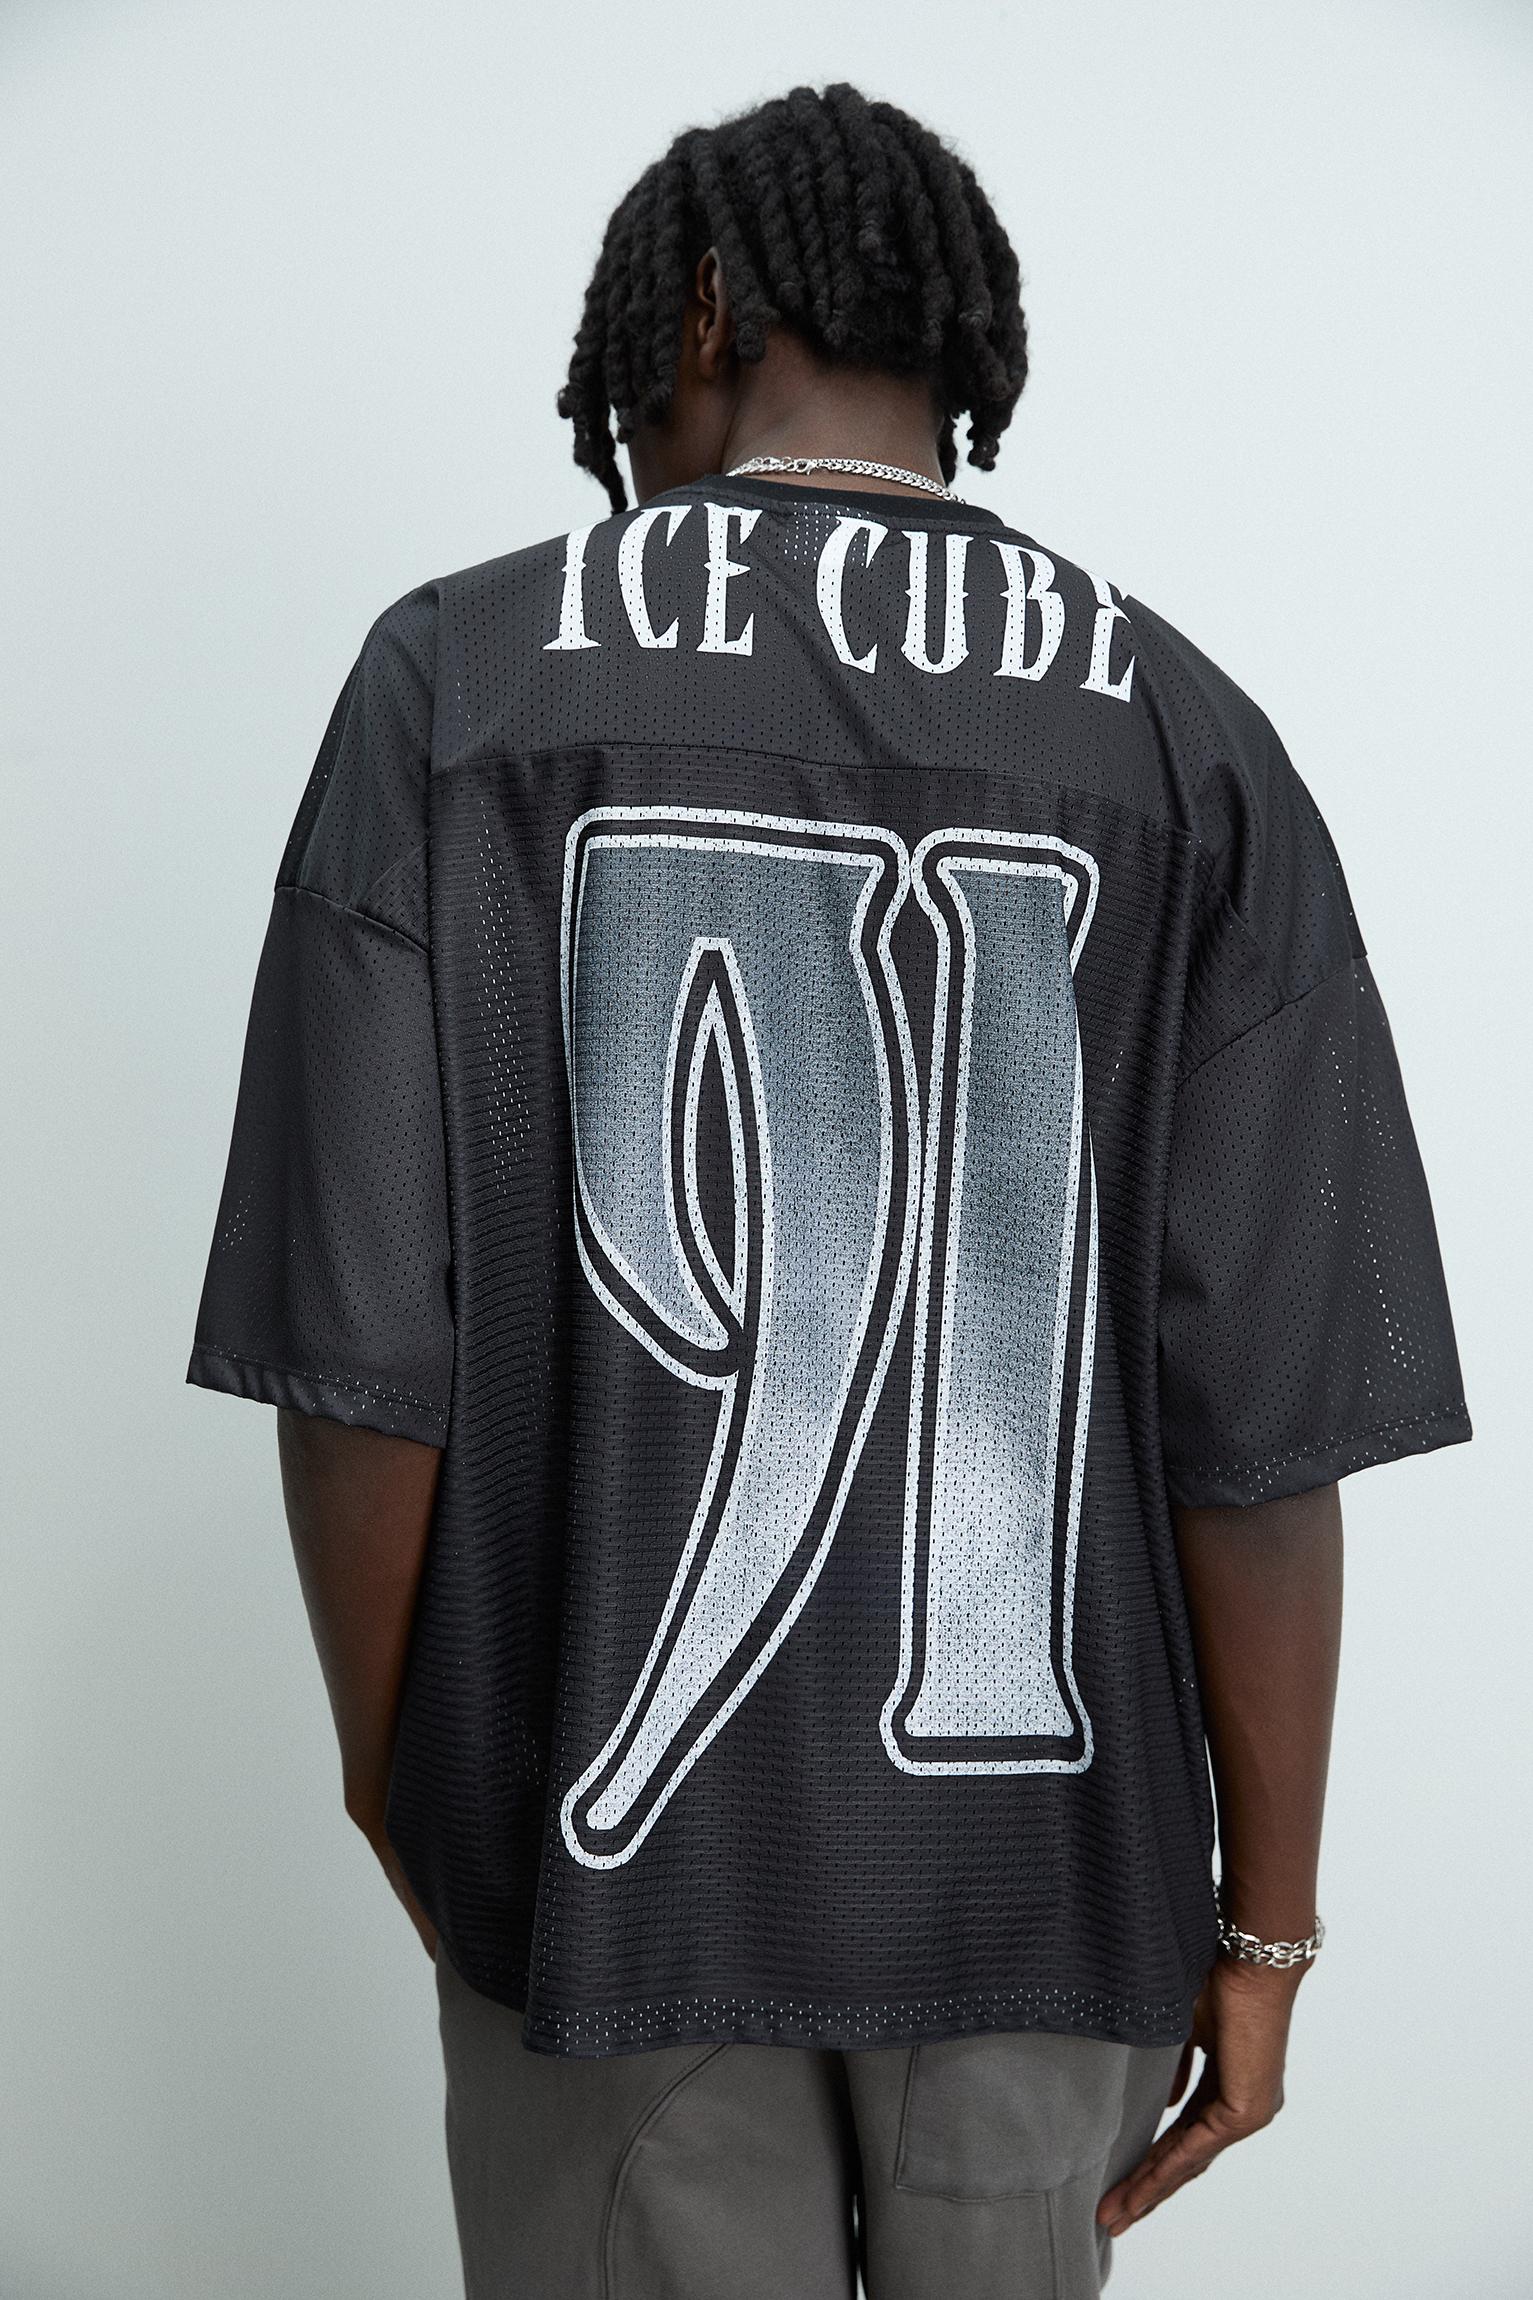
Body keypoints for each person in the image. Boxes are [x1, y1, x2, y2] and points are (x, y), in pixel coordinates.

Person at [188, 82, 1470, 2300]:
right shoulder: (1182, 729)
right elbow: (1264, 1425)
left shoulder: (452, 682)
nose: (621, 442)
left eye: (631, 387)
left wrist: (408, 1788)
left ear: (699, 304)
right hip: (1045, 1873)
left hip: (612, 1867)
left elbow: (360, 1344)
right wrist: (1265, 1928)